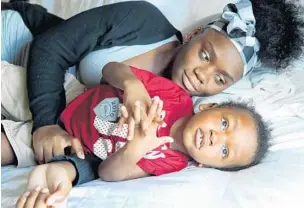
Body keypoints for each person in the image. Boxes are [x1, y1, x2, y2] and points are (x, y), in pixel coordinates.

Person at [1, 0, 303, 165]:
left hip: (52, 106)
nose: (202, 75)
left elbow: (108, 149)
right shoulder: (143, 19)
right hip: (21, 42)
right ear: (196, 35)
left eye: (219, 78)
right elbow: (51, 47)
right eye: (205, 55)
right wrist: (46, 125)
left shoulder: (180, 112)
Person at [16, 65, 270, 207]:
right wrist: (132, 85)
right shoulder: (174, 97)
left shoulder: (172, 162)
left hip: (71, 148)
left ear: (206, 165)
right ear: (208, 107)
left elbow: (106, 173)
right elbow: (110, 69)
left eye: (225, 152)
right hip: (67, 96)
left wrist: (135, 149)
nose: (217, 138)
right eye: (224, 123)